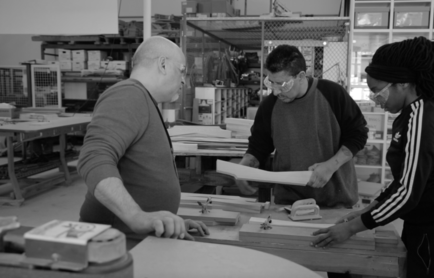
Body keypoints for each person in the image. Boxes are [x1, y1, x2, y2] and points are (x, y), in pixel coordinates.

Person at [311, 37, 434, 278]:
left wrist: (351, 228)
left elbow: (408, 193)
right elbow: (404, 180)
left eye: (376, 90)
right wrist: (370, 208)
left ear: (402, 83)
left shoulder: (421, 118)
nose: (374, 98)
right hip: (423, 226)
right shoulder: (409, 115)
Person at [78, 36, 209, 248]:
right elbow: (94, 158)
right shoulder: (128, 95)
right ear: (163, 64)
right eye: (182, 70)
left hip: (137, 240)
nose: (184, 80)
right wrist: (136, 216)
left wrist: (168, 222)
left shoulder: (143, 100)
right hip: (118, 244)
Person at [236, 44, 368, 208]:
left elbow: (358, 134)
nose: (276, 92)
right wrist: (244, 166)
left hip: (336, 198)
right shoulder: (270, 105)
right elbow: (259, 145)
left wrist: (330, 166)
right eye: (271, 83)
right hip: (289, 201)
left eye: (282, 85)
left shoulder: (333, 94)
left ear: (300, 76)